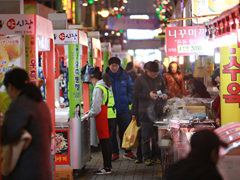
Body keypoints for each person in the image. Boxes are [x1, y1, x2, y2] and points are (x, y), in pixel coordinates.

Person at [1, 68, 52, 180]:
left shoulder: (19, 104)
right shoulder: (40, 103)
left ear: (11, 86)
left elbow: (8, 133)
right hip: (43, 170)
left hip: (26, 170)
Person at [132, 61, 168, 166]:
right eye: (153, 73)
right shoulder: (139, 80)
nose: (155, 75)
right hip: (144, 112)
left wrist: (165, 94)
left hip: (158, 111)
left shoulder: (159, 78)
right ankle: (146, 157)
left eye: (156, 73)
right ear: (146, 71)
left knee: (157, 136)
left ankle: (156, 156)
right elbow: (135, 95)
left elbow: (164, 88)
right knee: (145, 136)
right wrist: (148, 95)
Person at [81, 67, 116, 175]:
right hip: (110, 116)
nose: (90, 82)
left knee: (105, 143)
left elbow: (96, 109)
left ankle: (107, 167)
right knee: (108, 142)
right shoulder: (106, 85)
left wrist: (88, 115)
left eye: (90, 80)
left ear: (93, 78)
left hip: (104, 117)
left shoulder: (98, 88)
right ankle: (108, 166)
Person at [106, 57, 135, 161]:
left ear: (119, 66)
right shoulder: (105, 77)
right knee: (112, 132)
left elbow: (131, 89)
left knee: (126, 130)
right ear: (109, 66)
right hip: (110, 110)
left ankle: (127, 151)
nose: (114, 67)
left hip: (124, 108)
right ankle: (114, 153)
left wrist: (128, 100)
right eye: (112, 65)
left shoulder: (125, 76)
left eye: (116, 65)